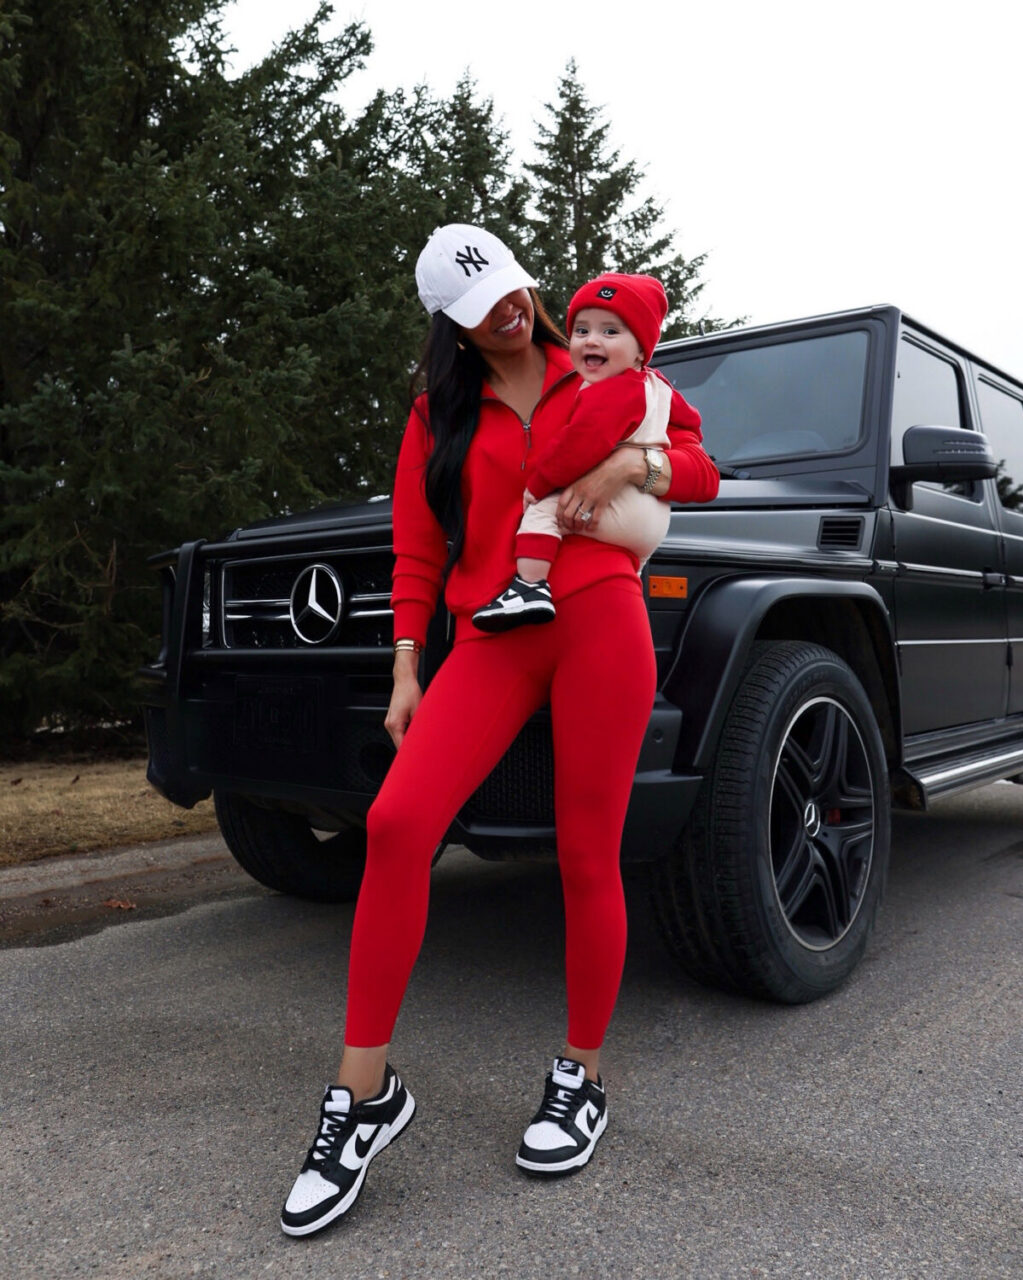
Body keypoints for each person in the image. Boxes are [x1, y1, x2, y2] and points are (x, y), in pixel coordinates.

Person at [280, 224, 719, 1238]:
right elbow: (415, 546)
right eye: (486, 308)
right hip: (492, 632)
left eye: (516, 289)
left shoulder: (603, 363)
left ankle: (582, 1076)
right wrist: (406, 665)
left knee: (587, 852)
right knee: (397, 824)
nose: (512, 311)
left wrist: (634, 465)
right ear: (453, 324)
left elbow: (703, 469)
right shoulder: (436, 413)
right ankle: (361, 1096)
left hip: (602, 615)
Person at [473, 272, 694, 632]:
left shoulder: (611, 392)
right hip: (651, 518)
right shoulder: (658, 386)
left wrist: (539, 483)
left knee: (543, 510)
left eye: (610, 331)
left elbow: (579, 445)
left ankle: (529, 585)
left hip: (620, 505)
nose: (592, 340)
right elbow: (692, 422)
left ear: (641, 350)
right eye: (581, 330)